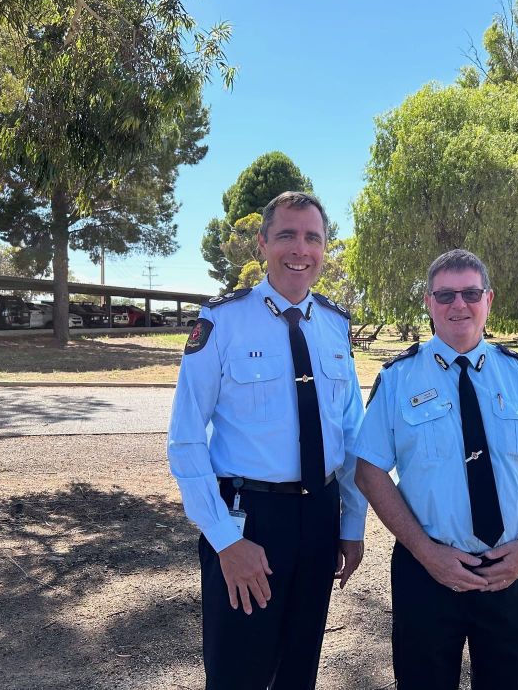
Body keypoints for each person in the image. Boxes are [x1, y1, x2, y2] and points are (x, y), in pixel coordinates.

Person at [168, 191, 367, 689]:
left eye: (312, 237)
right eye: (286, 235)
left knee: (299, 670)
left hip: (320, 517)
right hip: (250, 518)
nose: (299, 249)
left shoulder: (336, 325)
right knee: (239, 671)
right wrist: (225, 540)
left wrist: (352, 523)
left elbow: (351, 435)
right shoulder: (222, 321)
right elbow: (186, 438)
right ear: (263, 243)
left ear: (325, 248)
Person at [354, 248, 518, 690]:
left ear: (489, 300)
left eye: (471, 293)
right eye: (446, 295)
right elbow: (369, 471)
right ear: (428, 302)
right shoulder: (398, 378)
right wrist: (426, 553)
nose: (459, 305)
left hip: (511, 568)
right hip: (427, 570)